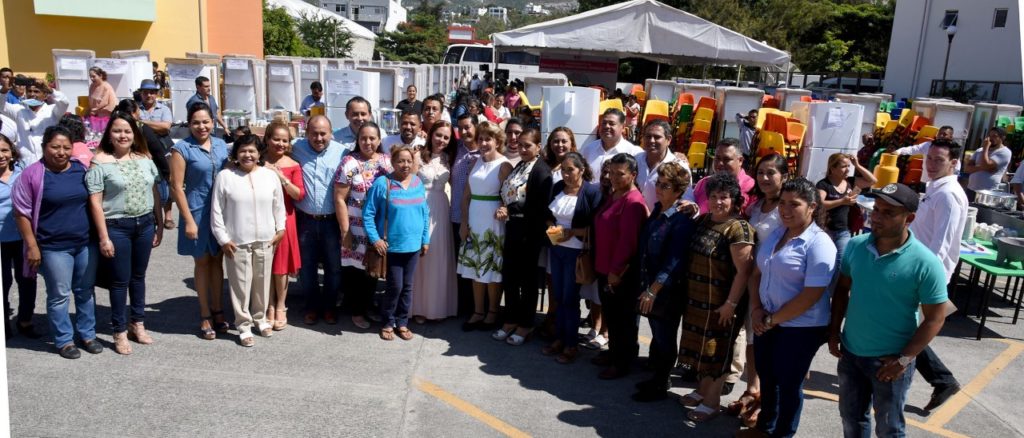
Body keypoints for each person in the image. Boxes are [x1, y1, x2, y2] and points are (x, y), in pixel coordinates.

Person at [828, 183, 950, 437]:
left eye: (888, 213)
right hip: (851, 354)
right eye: (876, 209)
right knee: (851, 420)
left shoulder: (925, 263)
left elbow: (935, 319)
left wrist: (904, 360)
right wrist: (833, 331)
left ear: (910, 218)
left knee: (889, 429)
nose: (876, 217)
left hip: (890, 362)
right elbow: (842, 289)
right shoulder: (856, 246)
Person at [738, 178, 836, 438]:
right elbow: (756, 273)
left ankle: (783, 434)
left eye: (795, 204)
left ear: (812, 207)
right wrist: (756, 309)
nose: (785, 209)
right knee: (768, 377)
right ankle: (765, 427)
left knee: (789, 385)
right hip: (767, 320)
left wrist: (772, 320)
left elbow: (811, 295)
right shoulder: (777, 234)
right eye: (782, 203)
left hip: (800, 327)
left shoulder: (819, 243)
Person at [12, 126, 101, 359]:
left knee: (85, 291)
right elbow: (21, 213)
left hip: (84, 244)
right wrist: (32, 246)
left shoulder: (81, 169)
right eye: (55, 147)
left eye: (66, 147)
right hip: (53, 247)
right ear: (44, 147)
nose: (61, 152)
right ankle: (64, 340)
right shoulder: (32, 174)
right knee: (59, 294)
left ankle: (88, 334)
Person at [678, 173, 755, 424]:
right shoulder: (704, 220)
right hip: (699, 300)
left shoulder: (739, 228)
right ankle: (702, 390)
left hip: (723, 304)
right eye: (713, 196)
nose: (718, 201)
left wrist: (730, 304)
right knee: (702, 349)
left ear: (735, 200)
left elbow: (744, 272)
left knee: (718, 352)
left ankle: (712, 402)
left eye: (724, 197)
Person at [85, 111, 162, 355]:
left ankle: (137, 324)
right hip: (117, 226)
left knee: (139, 277)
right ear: (109, 134)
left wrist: (159, 223)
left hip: (145, 224)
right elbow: (95, 202)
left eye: (127, 131)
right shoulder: (100, 162)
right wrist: (103, 237)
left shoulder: (144, 159)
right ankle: (118, 330)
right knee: (119, 281)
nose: (123, 135)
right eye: (117, 130)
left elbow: (154, 192)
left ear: (135, 134)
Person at [728, 153, 790, 425]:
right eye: (761, 172)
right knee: (753, 341)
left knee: (770, 344)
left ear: (784, 176)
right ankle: (753, 389)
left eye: (771, 173)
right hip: (752, 283)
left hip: (774, 286)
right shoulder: (755, 206)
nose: (764, 178)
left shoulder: (786, 209)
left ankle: (767, 401)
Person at [908, 138, 966, 412]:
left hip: (926, 274)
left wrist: (924, 278)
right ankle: (942, 380)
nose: (930, 165)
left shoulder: (948, 195)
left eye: (938, 160)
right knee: (905, 329)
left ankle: (941, 380)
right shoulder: (936, 188)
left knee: (908, 330)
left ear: (953, 163)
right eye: (928, 158)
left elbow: (941, 244)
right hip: (916, 268)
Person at [211, 135, 286, 347]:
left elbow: (278, 205)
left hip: (266, 239)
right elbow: (216, 211)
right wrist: (223, 238)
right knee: (240, 286)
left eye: (252, 151)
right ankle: (243, 325)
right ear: (236, 154)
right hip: (237, 241)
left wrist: (280, 228)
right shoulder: (226, 176)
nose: (247, 155)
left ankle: (260, 319)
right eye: (243, 151)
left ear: (259, 153)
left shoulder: (269, 176)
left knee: (262, 282)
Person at [633, 161, 696, 401]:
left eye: (665, 185)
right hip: (651, 284)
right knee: (658, 336)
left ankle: (661, 384)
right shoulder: (658, 210)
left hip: (667, 291)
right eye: (658, 184)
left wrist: (653, 290)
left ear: (679, 190)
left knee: (665, 337)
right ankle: (658, 379)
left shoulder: (681, 220)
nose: (659, 189)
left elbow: (674, 262)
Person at [168, 102, 230, 340]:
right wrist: (188, 220)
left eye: (206, 122)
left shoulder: (221, 145)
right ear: (189, 124)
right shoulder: (182, 149)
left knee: (217, 260)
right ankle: (205, 313)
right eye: (196, 122)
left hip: (220, 212)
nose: (201, 126)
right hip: (196, 211)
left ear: (213, 122)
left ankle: (218, 309)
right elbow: (176, 187)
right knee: (202, 262)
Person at [363, 146, 430, 341]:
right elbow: (368, 213)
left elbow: (424, 213)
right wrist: (375, 239)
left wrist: (425, 239)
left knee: (408, 287)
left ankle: (402, 322)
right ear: (392, 162)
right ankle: (387, 322)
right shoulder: (382, 183)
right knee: (395, 287)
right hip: (392, 247)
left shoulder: (417, 182)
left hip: (414, 246)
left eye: (409, 161)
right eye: (400, 161)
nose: (405, 165)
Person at [592, 153, 649, 379]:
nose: (614, 177)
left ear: (633, 175)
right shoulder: (615, 194)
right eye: (611, 173)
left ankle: (621, 362)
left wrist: (616, 271)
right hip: (604, 267)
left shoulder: (633, 202)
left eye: (620, 174)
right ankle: (615, 353)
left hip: (619, 273)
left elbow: (628, 242)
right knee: (612, 315)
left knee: (622, 319)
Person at [493, 128, 552, 345]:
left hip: (529, 232)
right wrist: (505, 207)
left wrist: (510, 209)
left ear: (538, 147)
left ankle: (526, 324)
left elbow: (538, 206)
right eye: (521, 145)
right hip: (513, 228)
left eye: (528, 145)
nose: (523, 149)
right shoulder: (520, 165)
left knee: (527, 280)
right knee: (510, 276)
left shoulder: (541, 171)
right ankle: (510, 319)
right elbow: (508, 192)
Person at [542, 152, 601, 363]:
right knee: (558, 296)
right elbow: (548, 216)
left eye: (571, 170)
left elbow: (596, 226)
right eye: (563, 170)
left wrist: (573, 232)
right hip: (557, 248)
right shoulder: (558, 187)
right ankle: (559, 338)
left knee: (570, 298)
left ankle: (571, 344)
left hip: (576, 252)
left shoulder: (591, 192)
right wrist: (553, 229)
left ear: (581, 170)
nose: (566, 174)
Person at [335, 122, 393, 329]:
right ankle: (356, 311)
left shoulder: (387, 162)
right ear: (357, 140)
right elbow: (339, 199)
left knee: (373, 268)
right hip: (355, 228)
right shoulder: (349, 162)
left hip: (377, 228)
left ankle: (367, 306)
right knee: (355, 272)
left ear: (379, 140)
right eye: (363, 138)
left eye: (372, 138)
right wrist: (346, 231)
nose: (368, 142)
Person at [457, 121, 513, 331]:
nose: (483, 143)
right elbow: (466, 196)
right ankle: (478, 311)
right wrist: (464, 223)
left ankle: (493, 312)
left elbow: (510, 197)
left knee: (492, 269)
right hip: (474, 220)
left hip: (493, 222)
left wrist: (504, 208)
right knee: (475, 267)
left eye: (488, 139)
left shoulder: (504, 165)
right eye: (480, 139)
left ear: (498, 141)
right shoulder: (475, 162)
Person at [292, 115, 345, 326]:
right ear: (306, 133)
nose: (319, 138)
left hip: (332, 221)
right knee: (307, 267)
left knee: (334, 267)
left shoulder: (342, 152)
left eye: (323, 133)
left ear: (331, 133)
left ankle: (330, 307)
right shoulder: (296, 148)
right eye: (314, 133)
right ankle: (312, 306)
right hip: (305, 220)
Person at [410, 121, 457, 322]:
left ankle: (437, 307)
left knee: (439, 256)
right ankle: (419, 307)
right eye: (438, 135)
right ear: (431, 135)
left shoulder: (449, 158)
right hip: (421, 206)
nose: (442, 140)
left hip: (441, 209)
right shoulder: (418, 156)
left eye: (446, 137)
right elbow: (410, 183)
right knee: (422, 257)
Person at [262, 122, 305, 330]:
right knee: (264, 264)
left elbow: (299, 194)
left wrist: (282, 179)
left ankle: (280, 305)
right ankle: (268, 304)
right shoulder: (258, 160)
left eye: (285, 140)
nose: (280, 144)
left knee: (280, 266)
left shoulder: (293, 164)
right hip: (261, 217)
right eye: (276, 139)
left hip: (286, 218)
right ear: (267, 139)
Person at [0, 134, 39, 339]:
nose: (1, 155)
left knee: (27, 280)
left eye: (4, 150)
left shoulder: (23, 172)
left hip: (23, 238)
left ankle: (25, 320)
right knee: (3, 282)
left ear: (12, 152)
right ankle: (3, 323)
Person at [816, 153, 876, 265]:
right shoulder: (823, 184)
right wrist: (842, 201)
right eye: (844, 166)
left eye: (849, 166)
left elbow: (872, 181)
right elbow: (820, 204)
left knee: (842, 262)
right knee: (824, 261)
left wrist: (857, 165)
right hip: (825, 230)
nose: (848, 170)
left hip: (843, 231)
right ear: (832, 168)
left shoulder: (850, 182)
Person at [450, 114, 480, 316]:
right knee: (459, 264)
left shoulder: (485, 151)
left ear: (476, 126)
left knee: (475, 263)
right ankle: (462, 306)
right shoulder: (456, 149)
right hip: (455, 215)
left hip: (478, 217)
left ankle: (478, 308)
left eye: (467, 127)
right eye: (460, 128)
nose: (464, 131)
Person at [0, 80, 70, 164]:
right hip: (26, 161)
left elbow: (64, 102)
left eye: (36, 91)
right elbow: (1, 106)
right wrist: (4, 91)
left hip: (49, 161)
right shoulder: (19, 110)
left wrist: (51, 90)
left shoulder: (52, 110)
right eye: (29, 91)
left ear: (45, 96)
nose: (32, 94)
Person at [685, 139, 757, 213]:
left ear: (740, 161)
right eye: (717, 158)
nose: (720, 163)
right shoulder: (704, 183)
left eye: (726, 159)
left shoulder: (752, 187)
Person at [636, 120, 690, 211]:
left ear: (668, 140)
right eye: (648, 136)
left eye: (657, 137)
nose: (651, 141)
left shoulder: (679, 166)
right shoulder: (635, 159)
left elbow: (687, 200)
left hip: (660, 218)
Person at [581, 109, 642, 178]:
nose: (606, 126)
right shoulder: (589, 149)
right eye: (604, 123)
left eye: (612, 123)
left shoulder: (634, 153)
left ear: (623, 127)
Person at [893, 126, 957, 183]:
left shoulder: (953, 150)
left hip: (941, 183)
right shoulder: (928, 145)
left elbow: (956, 169)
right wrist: (899, 151)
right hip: (926, 181)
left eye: (944, 134)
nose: (941, 136)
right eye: (939, 133)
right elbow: (913, 149)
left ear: (950, 137)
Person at [965, 127, 1011, 193]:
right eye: (990, 136)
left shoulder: (1004, 152)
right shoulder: (979, 150)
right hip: (971, 189)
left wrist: (985, 148)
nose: (990, 138)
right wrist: (984, 168)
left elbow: (986, 164)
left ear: (1002, 138)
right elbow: (967, 169)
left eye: (994, 136)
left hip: (988, 191)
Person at [87, 67, 117, 133]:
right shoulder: (92, 86)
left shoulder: (106, 87)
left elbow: (112, 104)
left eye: (93, 76)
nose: (91, 78)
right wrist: (92, 111)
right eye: (90, 76)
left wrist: (97, 110)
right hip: (94, 117)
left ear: (100, 76)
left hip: (105, 118)